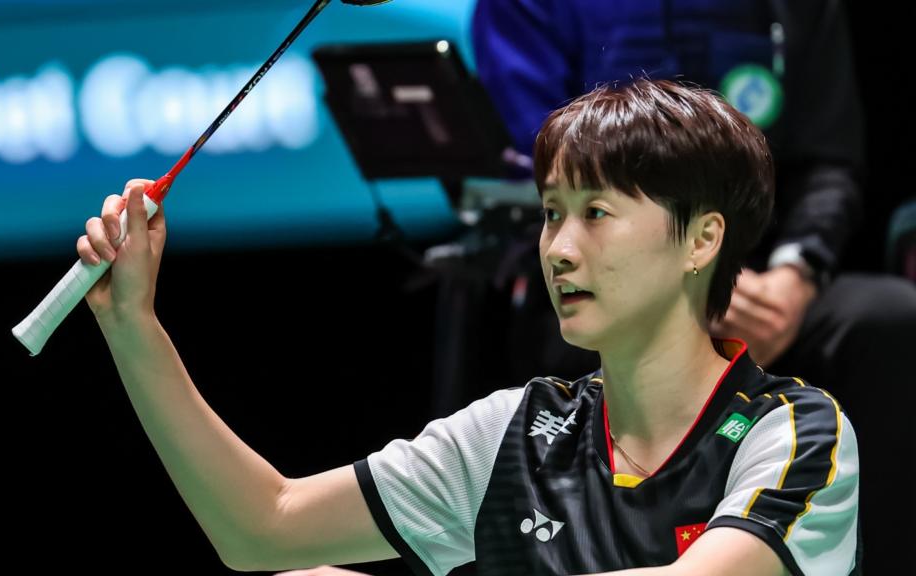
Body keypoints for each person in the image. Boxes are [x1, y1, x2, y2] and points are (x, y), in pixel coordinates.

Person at [77, 79, 857, 575]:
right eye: (550, 213)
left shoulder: (794, 434)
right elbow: (262, 527)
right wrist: (132, 324)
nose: (559, 248)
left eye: (595, 213)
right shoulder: (517, 434)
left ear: (702, 240)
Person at [469, 2, 916, 571]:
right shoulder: (488, 429)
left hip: (763, 272)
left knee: (889, 318)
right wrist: (663, 280)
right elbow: (539, 159)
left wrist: (794, 273)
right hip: (608, 278)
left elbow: (829, 161)